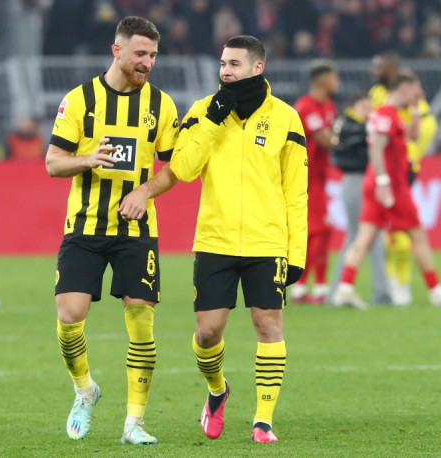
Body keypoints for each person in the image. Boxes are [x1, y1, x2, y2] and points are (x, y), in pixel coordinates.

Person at [119, 35, 308, 443]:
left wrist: (297, 252)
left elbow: (296, 192)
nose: (225, 70)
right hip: (214, 240)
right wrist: (212, 121)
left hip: (267, 241)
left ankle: (263, 421)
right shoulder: (204, 110)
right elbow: (184, 169)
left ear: (257, 67)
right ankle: (217, 389)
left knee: (268, 325)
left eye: (234, 64)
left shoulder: (286, 118)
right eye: (223, 63)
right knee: (207, 334)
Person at [45, 16, 179, 445]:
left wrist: (144, 191)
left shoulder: (162, 105)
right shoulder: (80, 100)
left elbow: (175, 166)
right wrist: (86, 160)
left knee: (141, 322)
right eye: (140, 53)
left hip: (136, 229)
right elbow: (52, 163)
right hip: (85, 226)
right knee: (70, 315)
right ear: (117, 50)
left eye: (153, 55)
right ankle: (85, 389)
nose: (147, 63)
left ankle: (134, 423)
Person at [332, 72, 441, 309]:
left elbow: (413, 137)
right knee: (417, 235)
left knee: (364, 238)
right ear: (403, 89)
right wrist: (384, 182)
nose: (420, 96)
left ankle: (344, 290)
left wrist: (415, 110)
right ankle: (436, 290)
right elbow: (376, 148)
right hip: (391, 186)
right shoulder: (386, 115)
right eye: (416, 91)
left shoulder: (391, 114)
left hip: (378, 184)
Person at [369, 53, 438, 306]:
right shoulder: (382, 99)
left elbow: (414, 134)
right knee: (397, 232)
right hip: (389, 173)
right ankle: (400, 285)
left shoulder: (403, 102)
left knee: (387, 233)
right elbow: (380, 140)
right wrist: (383, 179)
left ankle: (399, 284)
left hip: (402, 169)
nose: (374, 70)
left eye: (379, 66)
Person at [327, 92, 391, 305]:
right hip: (357, 180)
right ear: (352, 107)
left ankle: (343, 291)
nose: (368, 112)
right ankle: (377, 293)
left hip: (358, 181)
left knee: (363, 236)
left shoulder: (347, 123)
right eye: (364, 107)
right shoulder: (349, 125)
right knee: (360, 235)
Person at [291, 60, 338, 304]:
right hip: (304, 177)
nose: (337, 82)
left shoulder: (327, 105)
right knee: (320, 229)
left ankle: (307, 288)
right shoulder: (306, 106)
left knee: (314, 231)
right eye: (334, 77)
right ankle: (313, 286)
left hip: (319, 176)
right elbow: (325, 139)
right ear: (323, 80)